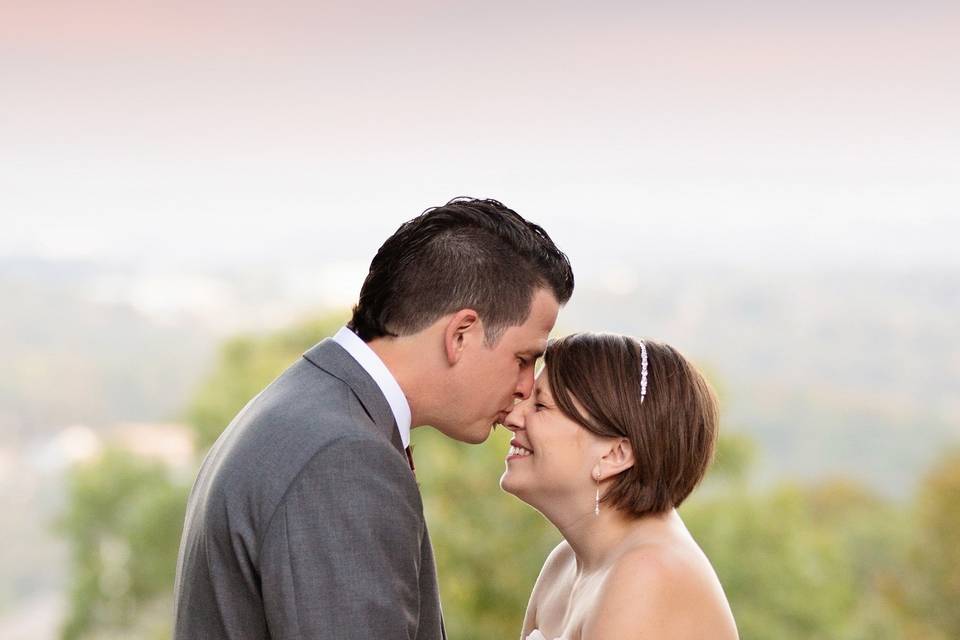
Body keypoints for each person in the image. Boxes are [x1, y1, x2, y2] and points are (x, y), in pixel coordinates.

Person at [173, 198, 574, 639]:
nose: (525, 387)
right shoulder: (341, 457)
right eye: (523, 358)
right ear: (461, 334)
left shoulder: (307, 406)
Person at [501, 332, 739, 640]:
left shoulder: (648, 575)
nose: (512, 416)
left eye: (541, 406)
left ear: (616, 454)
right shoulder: (564, 564)